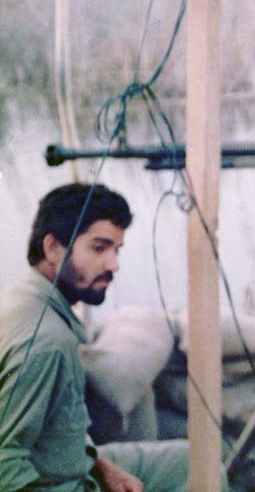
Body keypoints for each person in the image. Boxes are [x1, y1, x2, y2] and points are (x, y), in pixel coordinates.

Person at [0, 183, 196, 492]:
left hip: (71, 465)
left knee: (191, 461)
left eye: (116, 250)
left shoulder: (20, 303)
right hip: (59, 484)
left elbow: (54, 431)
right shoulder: (46, 341)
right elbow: (5, 463)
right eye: (99, 248)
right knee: (203, 470)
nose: (114, 264)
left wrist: (102, 467)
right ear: (52, 248)